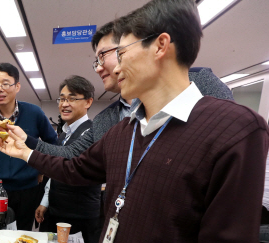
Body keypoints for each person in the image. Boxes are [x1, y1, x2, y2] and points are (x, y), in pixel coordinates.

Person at [0, 1, 268, 243]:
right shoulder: (124, 129)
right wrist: (26, 153)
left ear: (160, 45)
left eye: (120, 52)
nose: (114, 66)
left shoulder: (233, 129)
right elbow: (76, 169)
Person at [22, 21, 234, 159]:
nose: (98, 67)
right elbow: (71, 155)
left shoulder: (199, 85)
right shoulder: (108, 119)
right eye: (95, 61)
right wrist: (24, 141)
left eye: (103, 56)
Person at [0, 63, 57, 230]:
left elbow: (53, 144)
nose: (0, 89)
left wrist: (41, 169)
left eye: (6, 83)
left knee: (23, 235)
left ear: (17, 86)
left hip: (28, 189)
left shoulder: (34, 113)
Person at [35, 75, 101, 243]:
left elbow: (70, 164)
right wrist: (45, 201)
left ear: (88, 102)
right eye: (62, 99)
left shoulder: (92, 132)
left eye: (72, 98)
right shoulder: (63, 134)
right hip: (56, 211)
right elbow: (56, 170)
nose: (65, 104)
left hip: (79, 217)